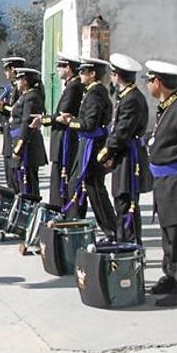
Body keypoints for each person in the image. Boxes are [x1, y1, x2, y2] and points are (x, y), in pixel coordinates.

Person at [143, 60, 177, 306]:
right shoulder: (167, 106)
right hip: (164, 181)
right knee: (168, 233)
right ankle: (171, 276)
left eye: (149, 80)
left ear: (159, 82)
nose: (148, 85)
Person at [58, 57, 117, 241]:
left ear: (92, 74)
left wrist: (70, 121)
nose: (80, 74)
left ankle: (111, 231)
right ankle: (80, 224)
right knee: (87, 187)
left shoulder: (96, 94)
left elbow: (90, 125)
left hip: (92, 147)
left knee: (95, 189)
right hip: (87, 145)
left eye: (84, 72)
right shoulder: (92, 92)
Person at [97, 54, 153, 244]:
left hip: (129, 157)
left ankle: (130, 244)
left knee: (126, 201)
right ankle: (125, 241)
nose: (111, 77)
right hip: (124, 154)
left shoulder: (132, 99)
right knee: (121, 201)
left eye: (113, 74)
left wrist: (105, 153)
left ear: (117, 75)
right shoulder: (127, 96)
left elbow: (121, 133)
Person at [41, 53, 86, 211]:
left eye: (60, 66)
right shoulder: (70, 85)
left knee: (60, 175)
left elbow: (62, 113)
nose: (58, 69)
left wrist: (43, 120)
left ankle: (59, 209)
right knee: (58, 174)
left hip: (65, 138)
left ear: (68, 68)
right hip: (61, 136)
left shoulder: (73, 87)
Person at [9, 68, 47, 198]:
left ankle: (30, 207)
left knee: (28, 179)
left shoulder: (32, 97)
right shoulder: (25, 96)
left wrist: (20, 147)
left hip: (27, 144)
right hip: (19, 139)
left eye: (19, 79)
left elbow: (26, 122)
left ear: (25, 81)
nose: (17, 82)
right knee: (20, 179)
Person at [0, 57, 25, 190]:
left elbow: (17, 110)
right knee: (8, 168)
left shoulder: (22, 88)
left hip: (16, 133)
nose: (5, 73)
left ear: (13, 70)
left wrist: (4, 107)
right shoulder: (10, 88)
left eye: (7, 70)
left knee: (16, 173)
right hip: (8, 130)